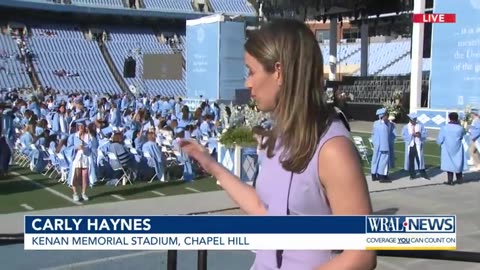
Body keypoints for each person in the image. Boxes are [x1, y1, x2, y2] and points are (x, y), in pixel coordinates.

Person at [179, 18, 376, 270]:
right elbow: (264, 210)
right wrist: (211, 165)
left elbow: (361, 255)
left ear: (279, 72)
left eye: (251, 71)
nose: (247, 83)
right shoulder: (279, 138)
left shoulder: (333, 149)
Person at [437, 112, 466, 185]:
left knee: (449, 163)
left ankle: (450, 180)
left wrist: (439, 143)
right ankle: (459, 179)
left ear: (449, 118)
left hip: (447, 147)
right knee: (458, 162)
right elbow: (463, 135)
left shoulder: (445, 127)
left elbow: (440, 138)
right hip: (457, 147)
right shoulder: (460, 128)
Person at [401, 113, 430, 180]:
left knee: (420, 159)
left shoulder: (420, 126)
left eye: (415, 120)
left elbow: (425, 134)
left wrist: (420, 135)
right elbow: (404, 136)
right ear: (410, 120)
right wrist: (411, 135)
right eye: (413, 120)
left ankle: (423, 173)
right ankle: (412, 174)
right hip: (410, 145)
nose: (414, 121)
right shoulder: (406, 127)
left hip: (418, 144)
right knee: (411, 160)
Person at [370, 108, 395, 182]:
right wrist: (386, 147)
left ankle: (374, 174)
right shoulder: (383, 126)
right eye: (386, 115)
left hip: (377, 144)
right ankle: (382, 176)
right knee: (383, 161)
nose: (387, 117)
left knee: (376, 160)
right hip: (383, 146)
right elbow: (385, 136)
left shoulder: (376, 123)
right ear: (383, 116)